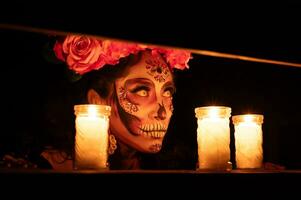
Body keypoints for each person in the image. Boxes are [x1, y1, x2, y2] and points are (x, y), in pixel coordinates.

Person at [40, 34, 192, 170]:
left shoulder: (174, 166)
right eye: (142, 91)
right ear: (97, 101)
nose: (162, 112)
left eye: (167, 92)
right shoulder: (45, 167)